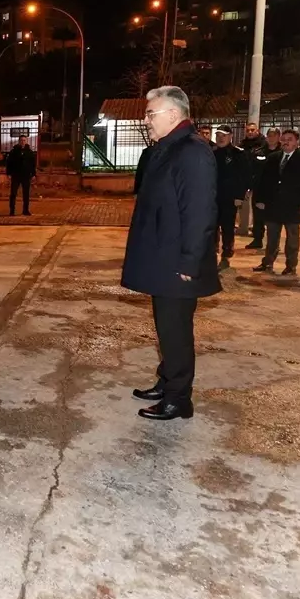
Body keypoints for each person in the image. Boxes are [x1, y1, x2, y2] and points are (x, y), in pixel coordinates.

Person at [121, 86, 220, 422]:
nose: (146, 120)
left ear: (174, 115)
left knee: (175, 330)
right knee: (166, 327)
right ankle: (167, 382)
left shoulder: (192, 152)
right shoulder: (168, 148)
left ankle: (178, 399)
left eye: (151, 113)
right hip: (163, 258)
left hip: (178, 262)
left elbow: (199, 212)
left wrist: (190, 261)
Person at [254, 129, 300, 276]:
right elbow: (263, 180)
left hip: (293, 205)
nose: (286, 142)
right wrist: (260, 199)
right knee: (272, 236)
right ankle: (268, 262)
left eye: (290, 139)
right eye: (284, 139)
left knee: (292, 238)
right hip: (273, 204)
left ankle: (291, 266)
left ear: (297, 142)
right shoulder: (273, 158)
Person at [212, 126, 248, 270]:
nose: (221, 138)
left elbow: (243, 176)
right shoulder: (212, 153)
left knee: (227, 227)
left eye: (224, 135)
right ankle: (213, 253)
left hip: (230, 198)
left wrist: (239, 196)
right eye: (218, 135)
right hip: (213, 198)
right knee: (212, 227)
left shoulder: (238, 154)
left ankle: (226, 254)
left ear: (231, 136)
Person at [244, 128, 282, 250]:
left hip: (276, 190)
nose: (271, 138)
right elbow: (251, 170)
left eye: (274, 135)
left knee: (274, 217)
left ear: (279, 137)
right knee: (258, 216)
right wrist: (249, 187)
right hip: (259, 188)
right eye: (269, 135)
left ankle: (273, 243)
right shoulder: (258, 152)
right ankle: (257, 239)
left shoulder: (283, 152)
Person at [237, 122, 263, 234]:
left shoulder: (264, 145)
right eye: (248, 130)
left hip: (259, 180)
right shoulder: (242, 145)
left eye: (252, 130)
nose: (250, 132)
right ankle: (243, 227)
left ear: (257, 130)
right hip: (245, 179)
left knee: (257, 206)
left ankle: (256, 229)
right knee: (244, 205)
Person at [6, 133, 36, 216]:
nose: (23, 142)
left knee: (26, 194)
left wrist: (33, 174)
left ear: (26, 141)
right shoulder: (14, 151)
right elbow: (9, 163)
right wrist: (8, 173)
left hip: (26, 175)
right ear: (19, 141)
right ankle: (12, 210)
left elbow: (33, 164)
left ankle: (25, 210)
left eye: (24, 140)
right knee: (13, 193)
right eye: (21, 140)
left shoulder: (29, 152)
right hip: (16, 175)